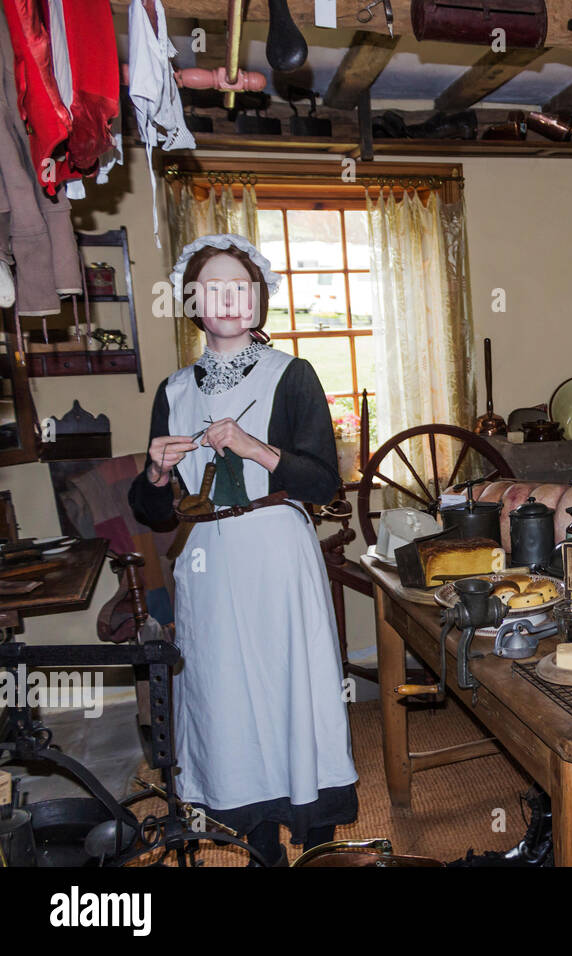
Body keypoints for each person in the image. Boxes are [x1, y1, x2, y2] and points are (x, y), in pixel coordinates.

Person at [129, 234, 357, 865]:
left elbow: (322, 482)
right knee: (223, 688)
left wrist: (258, 450)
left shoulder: (293, 375)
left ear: (257, 300)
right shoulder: (174, 393)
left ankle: (314, 829)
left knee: (293, 682)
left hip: (277, 551)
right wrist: (154, 473)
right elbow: (153, 512)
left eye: (240, 287)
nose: (228, 299)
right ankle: (254, 833)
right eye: (213, 288)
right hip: (208, 559)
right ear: (193, 303)